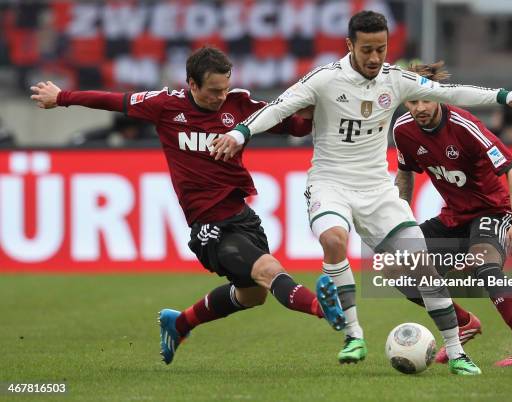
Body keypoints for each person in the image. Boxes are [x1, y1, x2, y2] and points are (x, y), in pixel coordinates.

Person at [213, 10, 512, 375]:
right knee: (334, 239)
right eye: (367, 49)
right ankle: (353, 334)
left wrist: (503, 96)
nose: (375, 58)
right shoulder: (325, 79)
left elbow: (450, 91)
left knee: (421, 270)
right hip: (330, 183)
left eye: (381, 49)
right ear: (350, 45)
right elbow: (278, 108)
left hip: (377, 190)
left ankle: (457, 351)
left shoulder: (395, 80)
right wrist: (239, 134)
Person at [30, 46, 346, 365]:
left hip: (242, 218)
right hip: (209, 226)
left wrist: (317, 107)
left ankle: (179, 323)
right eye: (213, 90)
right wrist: (62, 97)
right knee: (268, 270)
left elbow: (294, 126)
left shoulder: (240, 105)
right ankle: (324, 309)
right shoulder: (166, 105)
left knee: (253, 295)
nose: (221, 96)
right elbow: (115, 101)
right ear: (192, 85)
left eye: (224, 87)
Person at [393, 61, 512, 367]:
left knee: (485, 267)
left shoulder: (464, 125)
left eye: (426, 99)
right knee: (397, 267)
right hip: (454, 218)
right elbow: (405, 173)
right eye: (413, 101)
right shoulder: (403, 130)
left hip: (492, 210)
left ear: (439, 96)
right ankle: (463, 322)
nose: (420, 107)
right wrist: (400, 219)